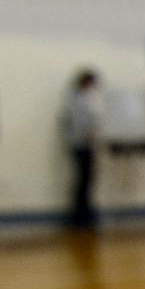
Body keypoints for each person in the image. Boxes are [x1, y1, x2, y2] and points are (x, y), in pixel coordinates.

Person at [62, 69, 101, 229]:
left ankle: (85, 213)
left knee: (86, 180)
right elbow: (81, 125)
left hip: (83, 144)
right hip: (81, 145)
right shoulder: (78, 100)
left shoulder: (80, 99)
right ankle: (81, 216)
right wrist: (91, 134)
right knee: (84, 180)